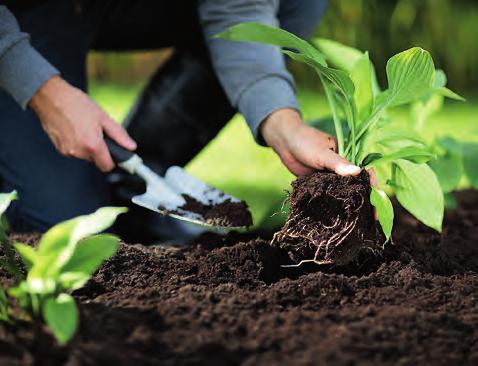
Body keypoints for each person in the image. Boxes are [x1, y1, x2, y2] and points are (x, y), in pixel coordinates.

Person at [0, 0, 360, 239]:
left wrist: (284, 124)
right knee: (70, 236)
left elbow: (237, 9)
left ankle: (132, 183)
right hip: (24, 13)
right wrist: (43, 92)